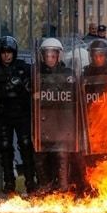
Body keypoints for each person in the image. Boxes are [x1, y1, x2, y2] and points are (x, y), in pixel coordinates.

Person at [0, 36, 37, 194]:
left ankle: (30, 181)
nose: (7, 55)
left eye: (9, 52)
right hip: (3, 114)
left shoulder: (24, 68)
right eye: (4, 52)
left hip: (22, 113)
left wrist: (25, 85)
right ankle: (9, 182)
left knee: (26, 145)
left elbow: (36, 87)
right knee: (5, 147)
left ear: (14, 53)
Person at [33, 38, 77, 193]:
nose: (50, 59)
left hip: (62, 123)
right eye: (47, 56)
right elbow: (31, 96)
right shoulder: (36, 74)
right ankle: (45, 185)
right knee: (40, 155)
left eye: (53, 55)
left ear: (59, 56)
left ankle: (64, 187)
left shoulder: (68, 74)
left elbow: (75, 97)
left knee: (62, 155)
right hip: (43, 122)